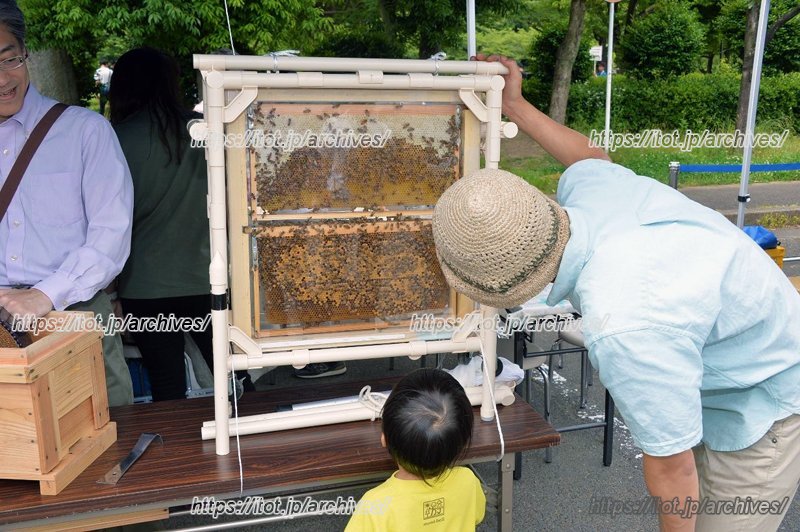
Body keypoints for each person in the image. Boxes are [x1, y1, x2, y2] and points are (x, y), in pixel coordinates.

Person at [431, 54, 800, 532]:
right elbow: (591, 157)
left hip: (765, 404)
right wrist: (516, 106)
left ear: (506, 289)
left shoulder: (626, 325)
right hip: (732, 350)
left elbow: (672, 469)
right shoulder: (597, 191)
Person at [0, 1, 134, 406]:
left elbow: (112, 235)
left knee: (106, 444)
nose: (2, 79)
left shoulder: (84, 131)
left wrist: (43, 295)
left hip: (75, 315)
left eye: (9, 59)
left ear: (25, 53)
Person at [110, 47, 252, 401]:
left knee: (166, 383)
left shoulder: (113, 138)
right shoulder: (203, 131)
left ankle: (176, 452)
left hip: (142, 287)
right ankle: (249, 440)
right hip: (208, 279)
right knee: (233, 373)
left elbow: (105, 225)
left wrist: (110, 294)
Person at [345, 368, 485, 531]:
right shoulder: (468, 481)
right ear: (461, 442)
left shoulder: (374, 504)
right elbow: (477, 515)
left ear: (385, 439)